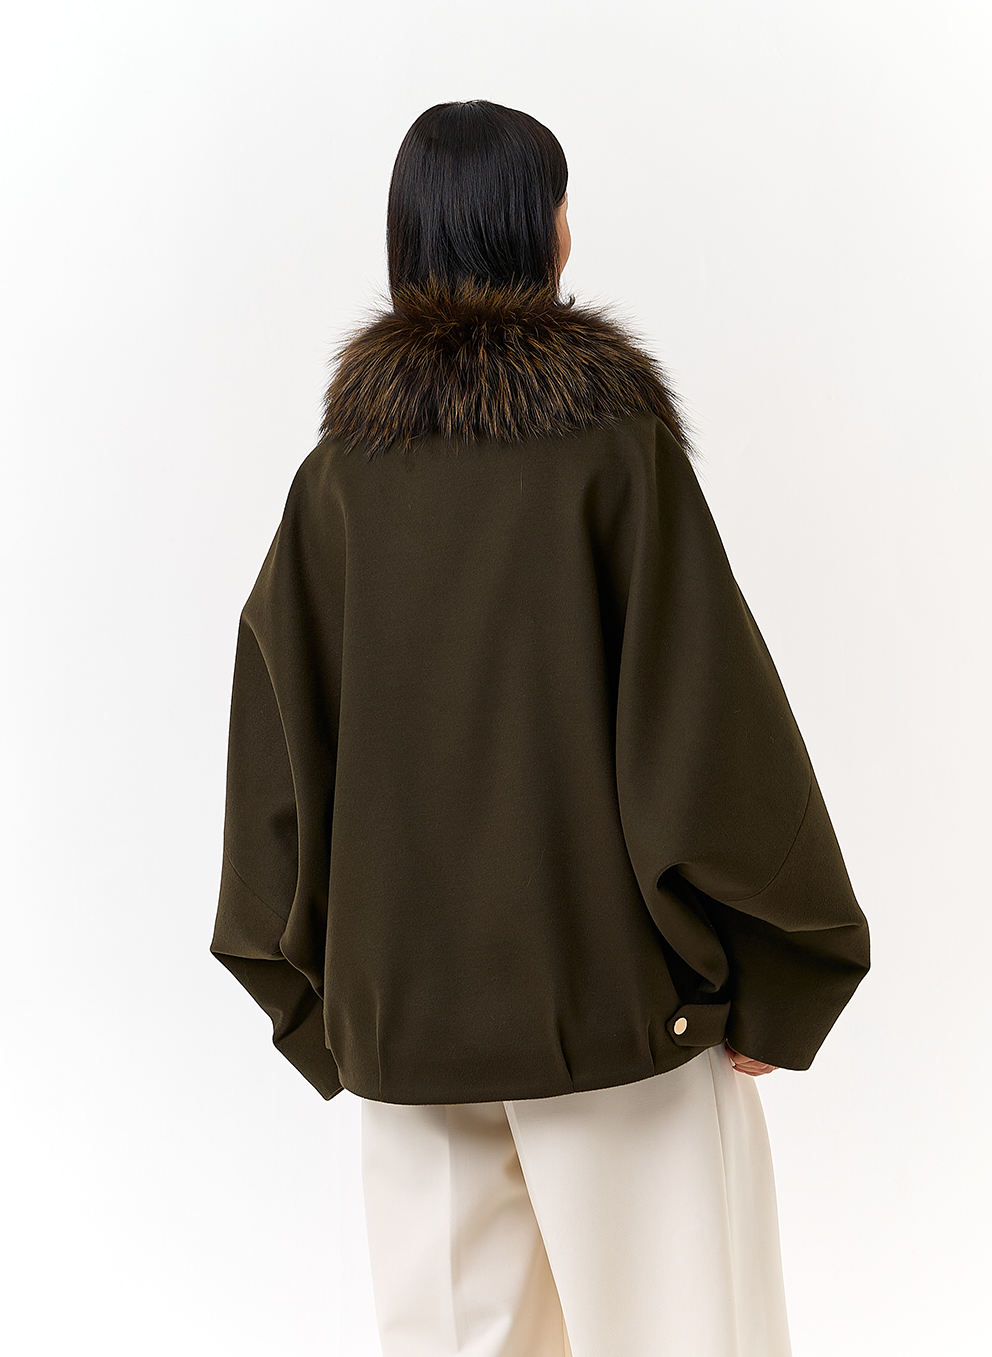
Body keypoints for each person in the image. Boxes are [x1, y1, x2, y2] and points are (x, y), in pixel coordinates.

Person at [209, 100, 870, 1357]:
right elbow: (703, 724)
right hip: (618, 1022)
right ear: (545, 230)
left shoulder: (336, 482)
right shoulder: (611, 456)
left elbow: (275, 754)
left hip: (407, 1037)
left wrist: (315, 999)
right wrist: (784, 969)